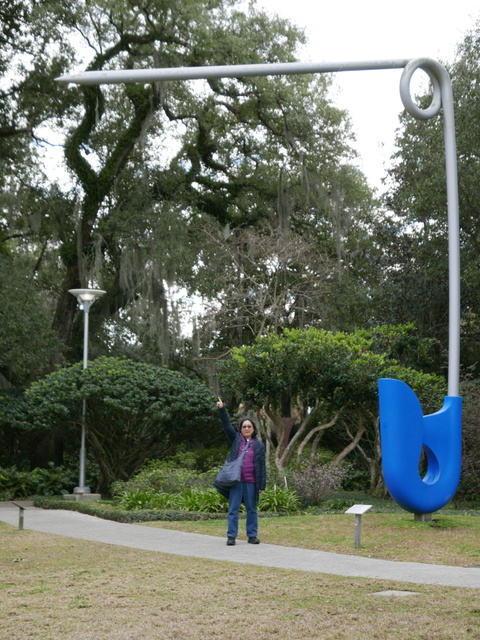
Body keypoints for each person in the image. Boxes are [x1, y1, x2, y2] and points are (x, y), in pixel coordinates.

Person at [214, 397, 266, 546]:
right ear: (240, 429)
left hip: (251, 482)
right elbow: (226, 425)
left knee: (251, 510)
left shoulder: (259, 445)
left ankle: (252, 535)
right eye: (244, 426)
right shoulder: (236, 439)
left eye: (249, 426)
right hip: (236, 482)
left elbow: (262, 466)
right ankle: (231, 536)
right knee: (233, 509)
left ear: (254, 429)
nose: (247, 428)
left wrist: (261, 485)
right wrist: (222, 409)